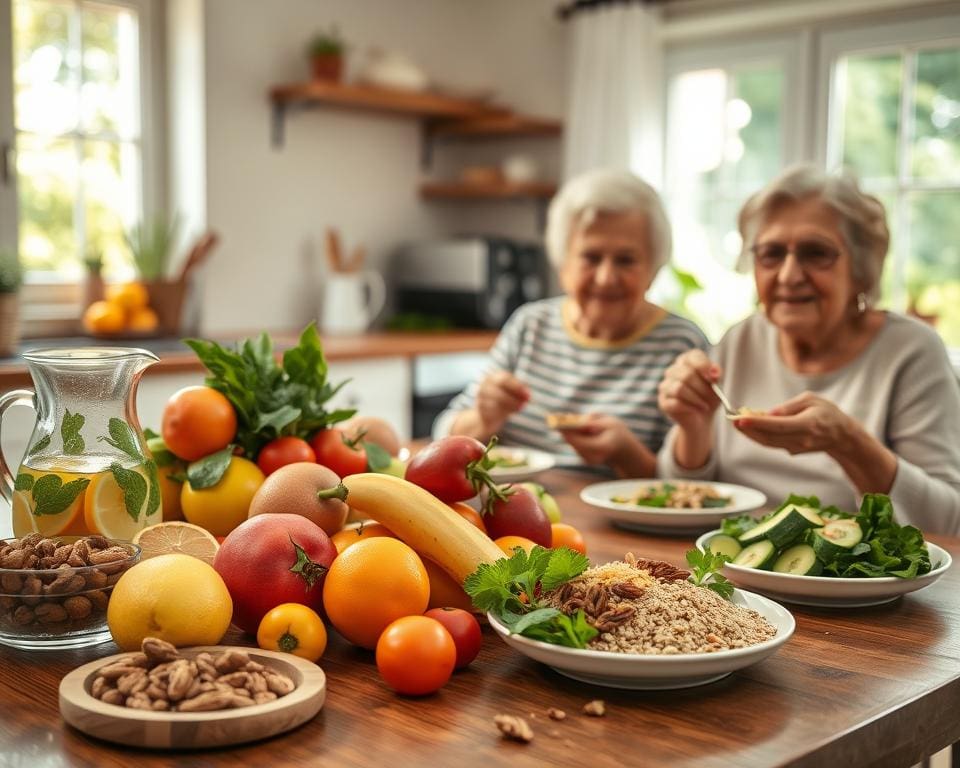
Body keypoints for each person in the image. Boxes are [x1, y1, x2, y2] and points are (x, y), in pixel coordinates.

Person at [657, 165, 960, 534]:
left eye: (816, 253)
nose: (788, 275)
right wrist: (693, 427)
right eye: (771, 253)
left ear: (862, 269)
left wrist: (849, 443)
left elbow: (946, 523)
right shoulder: (742, 339)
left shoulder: (910, 351)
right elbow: (677, 489)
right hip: (734, 570)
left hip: (852, 582)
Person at [434, 168, 708, 477]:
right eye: (591, 258)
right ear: (563, 265)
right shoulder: (530, 325)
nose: (606, 278)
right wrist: (483, 419)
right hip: (507, 513)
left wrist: (626, 454)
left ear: (654, 268)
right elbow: (444, 433)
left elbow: (689, 485)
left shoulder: (681, 345)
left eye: (626, 260)